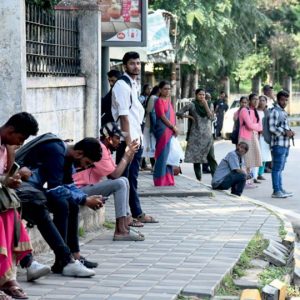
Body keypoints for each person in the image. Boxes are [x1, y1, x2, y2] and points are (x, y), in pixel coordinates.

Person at [15, 136, 104, 277]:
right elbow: (54, 188)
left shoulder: (67, 157)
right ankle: (65, 260)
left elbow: (68, 186)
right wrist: (85, 199)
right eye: (86, 163)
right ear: (79, 153)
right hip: (24, 190)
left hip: (34, 190)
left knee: (71, 204)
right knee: (60, 203)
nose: (84, 167)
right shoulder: (56, 151)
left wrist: (84, 198)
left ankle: (72, 256)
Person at [0, 112, 50, 300]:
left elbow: (6, 172)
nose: (20, 144)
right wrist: (6, 181)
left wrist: (14, 170)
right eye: (20, 139)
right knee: (6, 217)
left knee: (12, 215)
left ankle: (8, 278)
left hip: (2, 201)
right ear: (11, 130)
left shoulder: (6, 146)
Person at [73, 122, 145, 240]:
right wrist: (126, 156)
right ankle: (121, 230)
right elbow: (114, 175)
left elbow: (116, 172)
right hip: (78, 190)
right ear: (108, 138)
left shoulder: (104, 148)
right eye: (117, 138)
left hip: (86, 187)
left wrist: (128, 155)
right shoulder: (99, 149)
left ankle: (125, 224)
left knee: (124, 181)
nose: (119, 141)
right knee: (120, 182)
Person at [111, 51, 158, 224]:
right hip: (126, 141)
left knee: (131, 179)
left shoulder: (133, 84)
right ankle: (125, 217)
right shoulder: (122, 86)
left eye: (138, 63)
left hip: (135, 138)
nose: (136, 66)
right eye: (132, 63)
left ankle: (136, 213)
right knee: (123, 181)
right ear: (125, 66)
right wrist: (129, 144)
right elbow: (123, 117)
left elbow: (134, 116)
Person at [177, 88, 218, 182]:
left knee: (211, 157)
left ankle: (216, 179)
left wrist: (206, 105)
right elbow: (179, 112)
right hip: (196, 136)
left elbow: (211, 118)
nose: (202, 96)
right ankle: (199, 179)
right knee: (197, 159)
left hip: (207, 136)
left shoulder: (210, 104)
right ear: (196, 95)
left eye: (203, 95)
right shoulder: (192, 105)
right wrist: (190, 117)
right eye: (200, 94)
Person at [269, 90, 295, 198]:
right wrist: (285, 132)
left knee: (280, 168)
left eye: (286, 100)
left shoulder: (282, 111)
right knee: (276, 169)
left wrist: (290, 132)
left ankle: (280, 189)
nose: (284, 102)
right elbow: (272, 128)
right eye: (282, 100)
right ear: (278, 99)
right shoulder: (275, 111)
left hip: (285, 144)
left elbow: (283, 127)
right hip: (278, 144)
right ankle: (276, 191)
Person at [153, 81, 178, 186]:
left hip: (170, 131)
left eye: (169, 89)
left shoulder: (168, 101)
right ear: (160, 90)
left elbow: (172, 115)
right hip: (163, 131)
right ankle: (159, 180)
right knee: (162, 156)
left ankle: (168, 180)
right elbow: (162, 117)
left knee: (168, 156)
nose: (167, 91)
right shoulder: (158, 101)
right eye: (165, 89)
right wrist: (172, 127)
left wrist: (174, 128)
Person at [238, 93, 262, 187]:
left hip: (253, 137)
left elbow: (260, 127)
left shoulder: (255, 111)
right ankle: (243, 181)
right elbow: (249, 125)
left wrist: (255, 126)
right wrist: (255, 126)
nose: (256, 101)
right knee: (245, 160)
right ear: (249, 100)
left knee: (252, 160)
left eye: (257, 99)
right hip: (245, 137)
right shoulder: (244, 110)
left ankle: (249, 181)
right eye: (254, 99)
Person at [142, 86, 160, 171]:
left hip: (151, 125)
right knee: (152, 146)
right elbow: (150, 111)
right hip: (151, 126)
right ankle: (154, 166)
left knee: (151, 146)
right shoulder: (154, 98)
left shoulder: (154, 97)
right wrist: (155, 126)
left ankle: (154, 166)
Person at [257, 95, 272, 180]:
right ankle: (254, 174)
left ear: (266, 102)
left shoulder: (268, 112)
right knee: (257, 154)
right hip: (256, 136)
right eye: (260, 100)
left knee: (264, 156)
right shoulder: (255, 111)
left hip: (265, 137)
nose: (261, 102)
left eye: (263, 100)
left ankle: (260, 173)